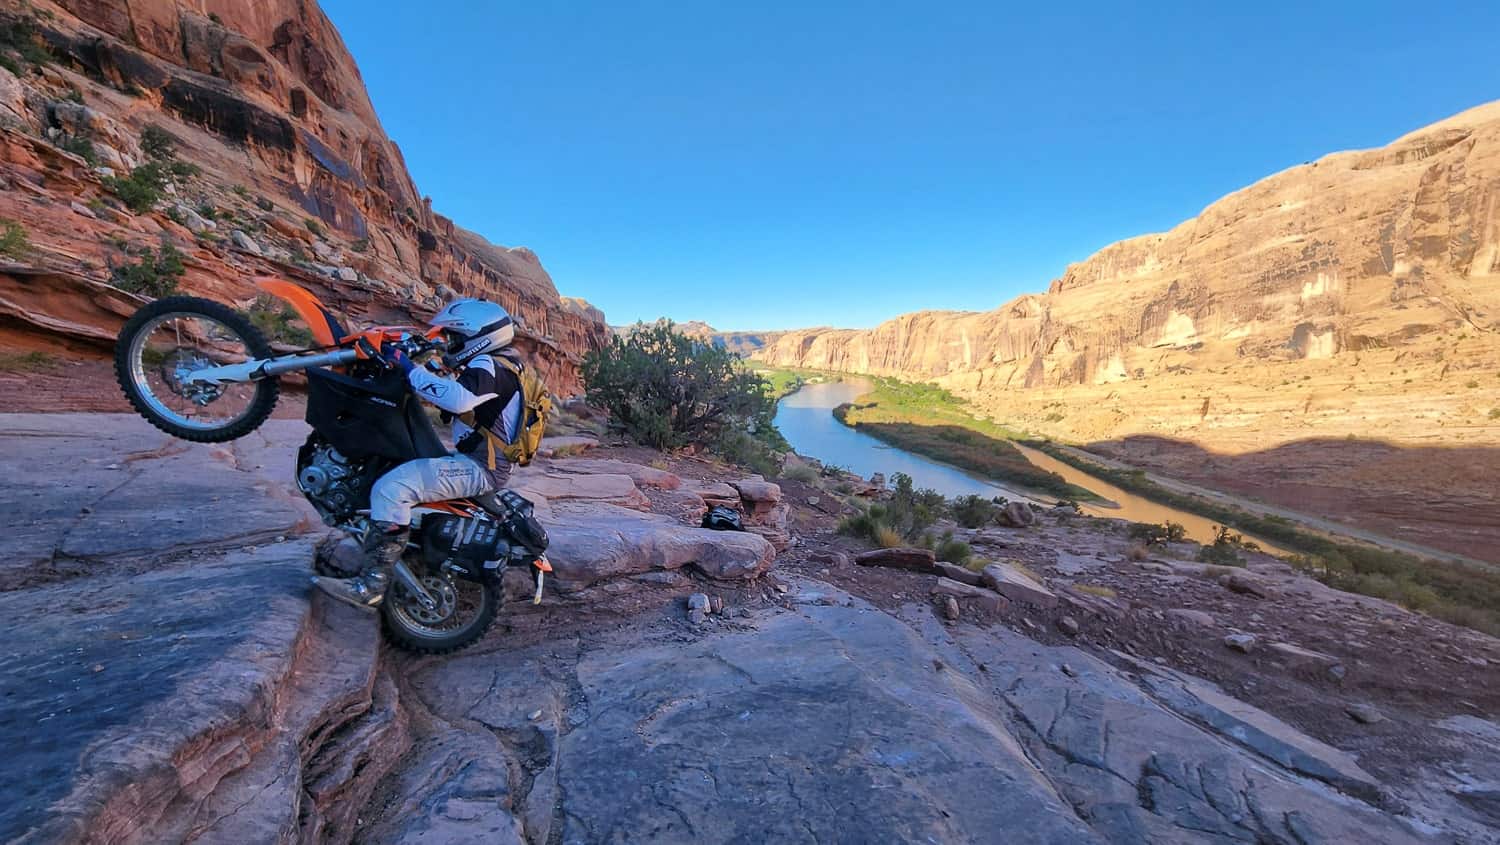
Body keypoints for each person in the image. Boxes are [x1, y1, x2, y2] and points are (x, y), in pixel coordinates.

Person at [313, 299, 523, 610]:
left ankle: (370, 586)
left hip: (480, 469)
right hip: (478, 462)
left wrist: (409, 368)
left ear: (477, 337)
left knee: (391, 490)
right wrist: (428, 368)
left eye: (455, 337)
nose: (451, 343)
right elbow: (453, 390)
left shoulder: (490, 366)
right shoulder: (496, 366)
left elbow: (459, 399)